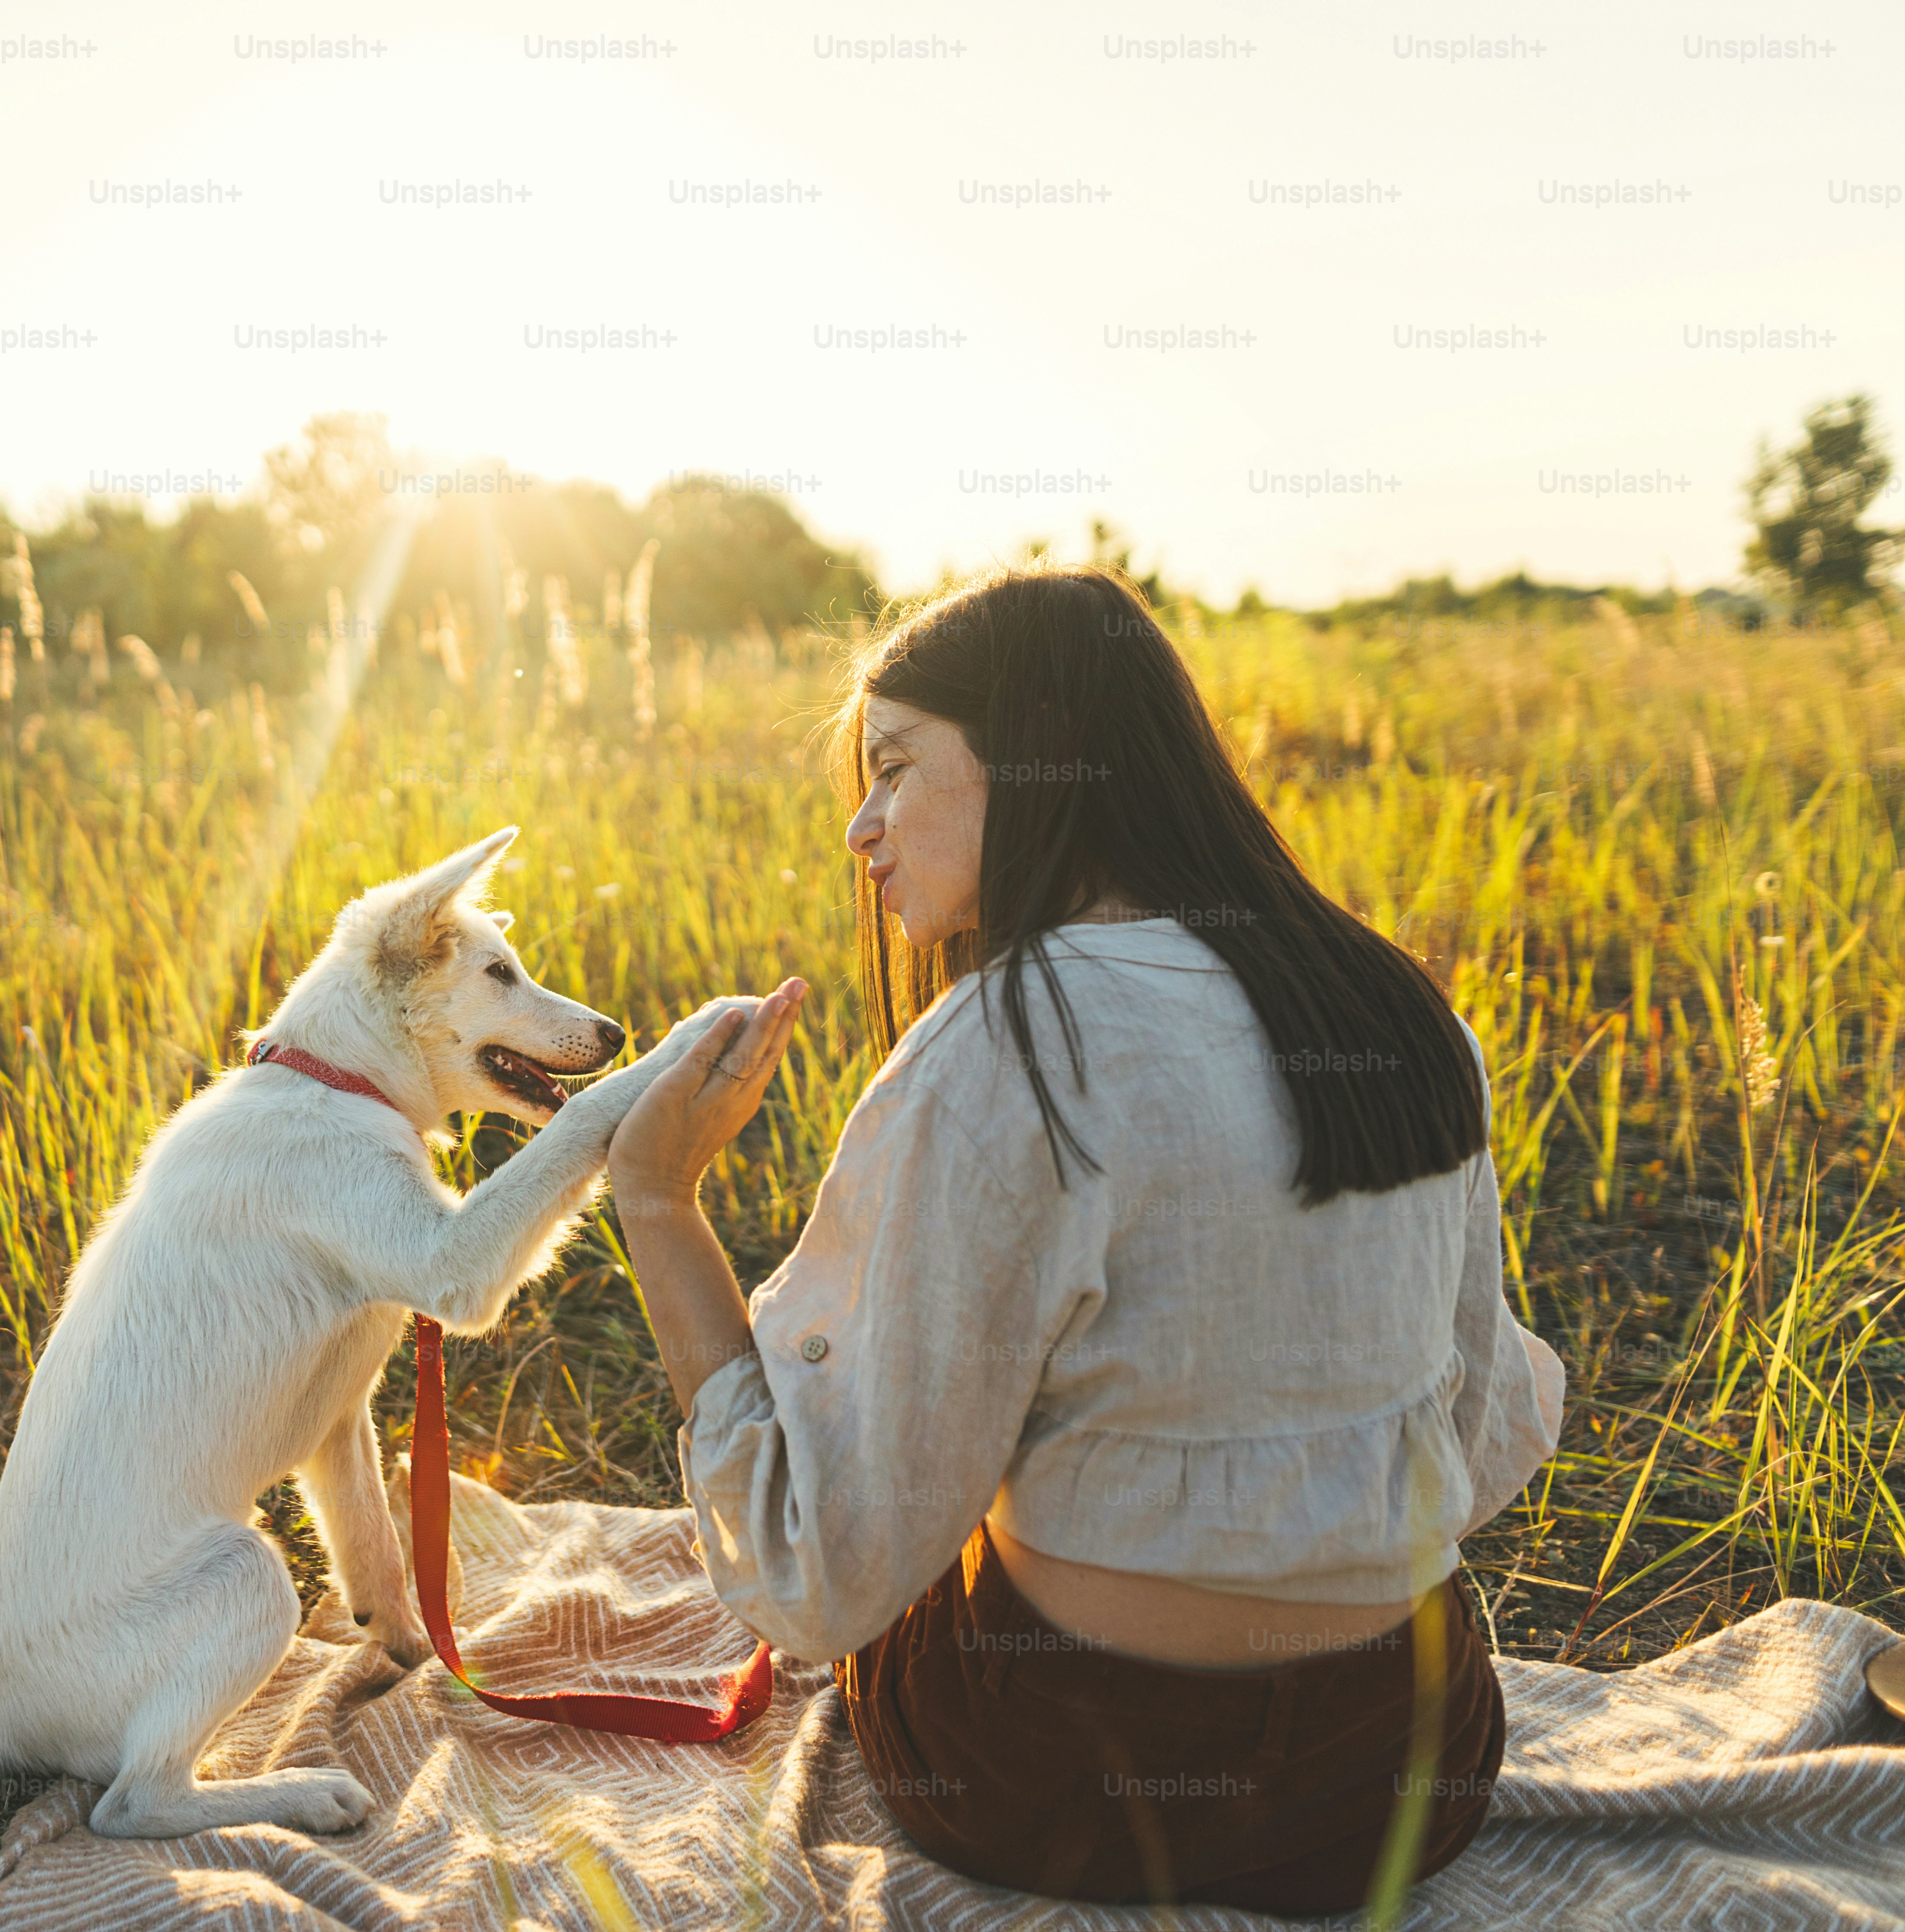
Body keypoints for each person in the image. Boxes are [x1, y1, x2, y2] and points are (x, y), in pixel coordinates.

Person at [605, 563, 1565, 1913]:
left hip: (1070, 1780)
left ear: (1042, 761)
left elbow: (824, 1582)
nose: (860, 830)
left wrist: (657, 1203)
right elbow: (1478, 1431)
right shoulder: (1395, 1006)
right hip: (1404, 1767)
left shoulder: (1009, 1048)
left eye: (894, 769)